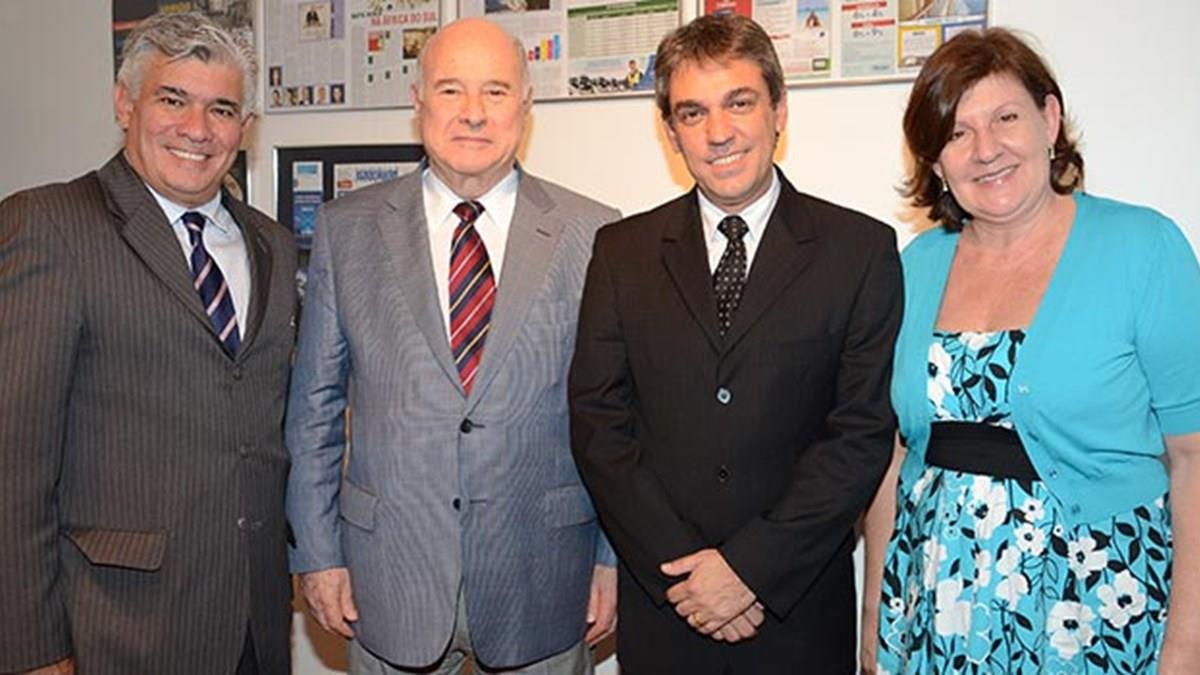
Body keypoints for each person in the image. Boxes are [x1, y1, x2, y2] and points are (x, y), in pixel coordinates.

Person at [569, 14, 902, 674]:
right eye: (692, 113)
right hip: (667, 607)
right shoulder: (621, 253)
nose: (717, 132)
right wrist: (687, 574)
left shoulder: (860, 251)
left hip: (796, 611)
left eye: (739, 103)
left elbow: (860, 434)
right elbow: (599, 423)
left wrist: (751, 569)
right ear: (670, 132)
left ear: (779, 110)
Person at [285, 17, 619, 675]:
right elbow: (314, 411)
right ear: (418, 102)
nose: (473, 112)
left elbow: (617, 414)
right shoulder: (347, 230)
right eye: (450, 90)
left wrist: (611, 558)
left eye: (495, 91)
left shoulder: (593, 232)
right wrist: (317, 553)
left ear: (525, 106)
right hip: (389, 579)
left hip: (546, 576)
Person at [861, 27, 1200, 674]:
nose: (985, 149)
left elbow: (1194, 456)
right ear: (936, 162)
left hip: (1098, 615)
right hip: (934, 615)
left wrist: (1187, 648)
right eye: (957, 133)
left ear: (1050, 119)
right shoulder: (913, 268)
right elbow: (894, 455)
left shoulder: (1143, 249)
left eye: (1006, 118)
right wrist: (877, 613)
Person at [0, 11, 296, 675]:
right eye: (173, 99)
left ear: (245, 126)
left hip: (255, 624)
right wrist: (32, 648)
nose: (198, 128)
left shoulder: (272, 245)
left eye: (222, 109)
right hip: (113, 630)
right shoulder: (48, 226)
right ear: (124, 103)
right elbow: (11, 462)